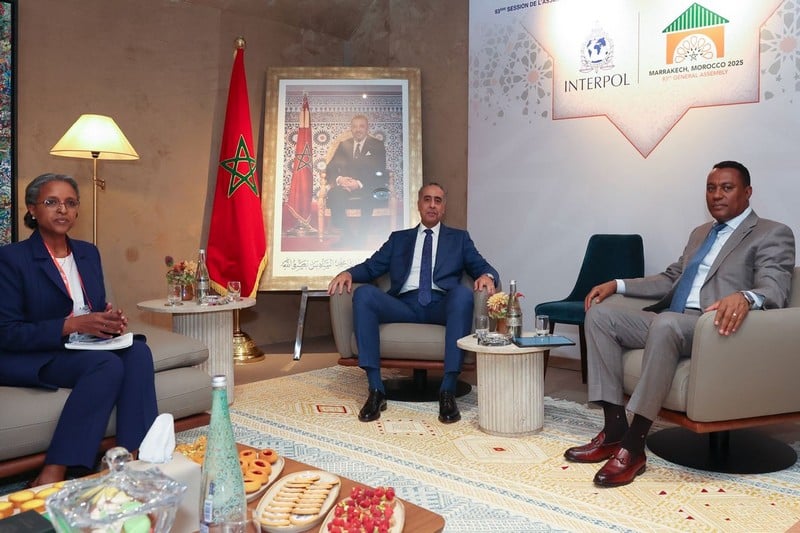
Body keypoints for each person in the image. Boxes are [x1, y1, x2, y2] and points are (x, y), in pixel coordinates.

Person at [565, 160, 795, 487]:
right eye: (711, 188)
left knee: (667, 323)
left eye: (727, 188)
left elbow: (775, 288)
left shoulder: (772, 233)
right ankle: (614, 430)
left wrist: (744, 297)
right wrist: (617, 284)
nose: (717, 195)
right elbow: (670, 278)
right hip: (673, 320)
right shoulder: (700, 233)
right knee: (600, 315)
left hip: (714, 327)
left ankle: (633, 446)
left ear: (747, 192)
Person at [0, 173, 158, 485]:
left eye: (70, 203)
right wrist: (72, 324)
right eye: (52, 202)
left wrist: (107, 321)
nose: (63, 209)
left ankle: (130, 459)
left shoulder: (88, 252)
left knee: (139, 352)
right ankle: (54, 469)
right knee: (107, 365)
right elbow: (7, 332)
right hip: (32, 353)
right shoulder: (11, 259)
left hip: (81, 346)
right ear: (32, 209)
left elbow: (91, 307)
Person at [327, 183, 499, 423]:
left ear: (444, 207)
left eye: (438, 200)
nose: (432, 205)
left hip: (441, 305)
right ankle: (376, 390)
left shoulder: (459, 239)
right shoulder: (399, 239)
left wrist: (487, 276)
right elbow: (372, 267)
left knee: (462, 294)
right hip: (404, 305)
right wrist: (348, 273)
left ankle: (447, 390)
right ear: (419, 204)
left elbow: (483, 266)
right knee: (364, 294)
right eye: (427, 199)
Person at [325, 114, 388, 244]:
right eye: (354, 126)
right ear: (351, 129)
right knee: (333, 194)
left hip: (367, 185)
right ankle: (347, 235)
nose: (358, 129)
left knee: (369, 196)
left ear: (367, 128)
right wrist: (340, 179)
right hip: (346, 186)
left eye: (361, 126)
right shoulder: (344, 145)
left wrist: (358, 183)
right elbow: (330, 167)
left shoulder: (377, 145)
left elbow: (379, 170)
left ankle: (361, 238)